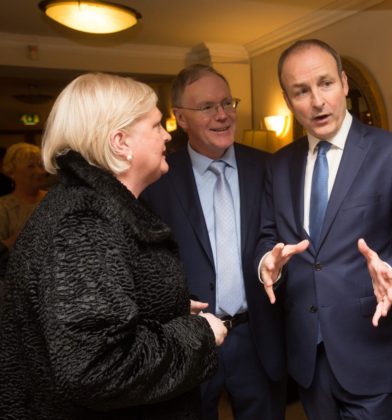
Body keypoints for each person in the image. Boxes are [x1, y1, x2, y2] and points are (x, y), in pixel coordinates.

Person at [0, 72, 228, 419]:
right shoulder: (83, 221)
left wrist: (169, 312)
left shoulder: (96, 208)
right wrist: (199, 334)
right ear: (120, 142)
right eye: (155, 125)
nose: (167, 135)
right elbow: (98, 367)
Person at [255, 39, 392, 419]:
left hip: (374, 355)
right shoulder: (278, 166)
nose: (317, 101)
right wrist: (266, 264)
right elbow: (267, 237)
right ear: (288, 100)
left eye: (325, 84)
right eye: (301, 91)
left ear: (343, 83)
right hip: (308, 358)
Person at [141, 64, 286, 420]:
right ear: (180, 118)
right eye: (207, 107)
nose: (223, 115)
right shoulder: (156, 180)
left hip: (258, 336)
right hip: (190, 340)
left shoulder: (269, 168)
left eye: (228, 103)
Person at [0, 142, 48, 248]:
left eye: (41, 165)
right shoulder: (4, 207)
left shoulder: (56, 200)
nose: (40, 172)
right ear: (11, 171)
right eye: (30, 166)